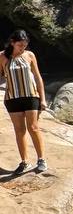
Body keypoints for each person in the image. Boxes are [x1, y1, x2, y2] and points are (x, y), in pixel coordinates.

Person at [1, 30, 47, 175]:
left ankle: (41, 160)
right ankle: (24, 161)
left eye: (25, 45)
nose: (23, 48)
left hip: (31, 96)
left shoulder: (29, 55)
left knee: (33, 127)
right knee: (19, 130)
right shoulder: (2, 56)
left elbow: (38, 77)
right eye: (20, 45)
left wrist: (43, 98)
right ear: (12, 43)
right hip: (12, 98)